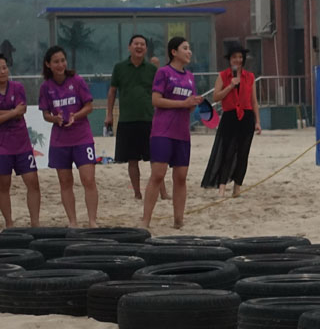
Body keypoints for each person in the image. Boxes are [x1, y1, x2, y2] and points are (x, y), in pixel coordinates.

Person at [141, 37, 200, 229]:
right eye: (185, 48)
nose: (189, 52)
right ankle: (145, 220)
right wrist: (183, 103)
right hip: (162, 131)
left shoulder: (190, 77)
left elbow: (189, 106)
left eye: (189, 48)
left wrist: (193, 104)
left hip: (182, 133)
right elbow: (156, 100)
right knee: (158, 175)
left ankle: (178, 220)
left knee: (181, 177)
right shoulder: (163, 73)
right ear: (174, 52)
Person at [39, 46, 98, 228]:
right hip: (60, 140)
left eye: (62, 60)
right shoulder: (46, 87)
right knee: (65, 182)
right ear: (48, 64)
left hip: (82, 137)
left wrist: (75, 116)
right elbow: (45, 114)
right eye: (56, 62)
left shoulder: (77, 81)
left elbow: (89, 106)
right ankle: (72, 221)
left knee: (88, 179)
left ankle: (92, 221)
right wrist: (55, 119)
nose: (60, 65)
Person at [0, 52, 41, 228]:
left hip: (22, 144)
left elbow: (21, 111)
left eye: (5, 67)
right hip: (0, 147)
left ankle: (35, 223)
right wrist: (12, 112)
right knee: (3, 185)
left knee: (33, 182)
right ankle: (9, 223)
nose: (3, 71)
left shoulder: (17, 87)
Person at [106, 34, 168, 201]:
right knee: (132, 160)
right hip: (127, 120)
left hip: (149, 119)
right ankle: (137, 193)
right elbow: (112, 92)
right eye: (136, 44)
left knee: (155, 158)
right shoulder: (119, 68)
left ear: (146, 49)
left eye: (142, 44)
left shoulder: (152, 69)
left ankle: (163, 193)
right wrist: (109, 114)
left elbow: (160, 93)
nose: (139, 47)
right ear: (129, 47)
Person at [201, 43, 261, 197]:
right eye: (235, 57)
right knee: (227, 152)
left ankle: (237, 186)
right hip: (230, 117)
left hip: (246, 117)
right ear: (229, 59)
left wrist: (257, 121)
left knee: (243, 153)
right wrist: (230, 86)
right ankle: (222, 187)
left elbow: (254, 101)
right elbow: (216, 97)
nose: (238, 60)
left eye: (240, 57)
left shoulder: (250, 77)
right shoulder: (223, 76)